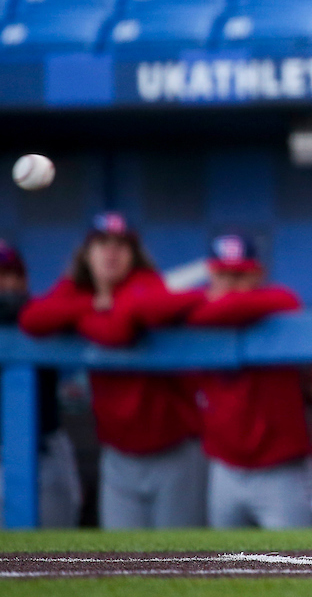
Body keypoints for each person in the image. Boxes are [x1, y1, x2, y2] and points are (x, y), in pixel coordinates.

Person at [19, 212, 206, 529]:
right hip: (118, 456)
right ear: (87, 254)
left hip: (173, 450)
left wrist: (105, 311)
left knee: (180, 552)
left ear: (133, 255)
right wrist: (92, 306)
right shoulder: (78, 291)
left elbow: (117, 332)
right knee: (122, 551)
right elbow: (31, 319)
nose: (111, 252)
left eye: (121, 245)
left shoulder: (144, 283)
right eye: (102, 243)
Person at [132, 233, 312, 528]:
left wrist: (199, 308)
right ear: (210, 275)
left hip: (281, 470)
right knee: (228, 556)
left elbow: (287, 300)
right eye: (222, 275)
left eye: (240, 276)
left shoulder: (273, 306)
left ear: (258, 275)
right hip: (225, 469)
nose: (230, 284)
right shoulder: (203, 313)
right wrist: (202, 301)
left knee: (296, 556)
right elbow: (141, 310)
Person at [0, 240, 82, 528]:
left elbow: (67, 307)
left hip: (44, 448)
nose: (9, 284)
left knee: (55, 541)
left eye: (14, 275)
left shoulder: (39, 315)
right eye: (2, 276)